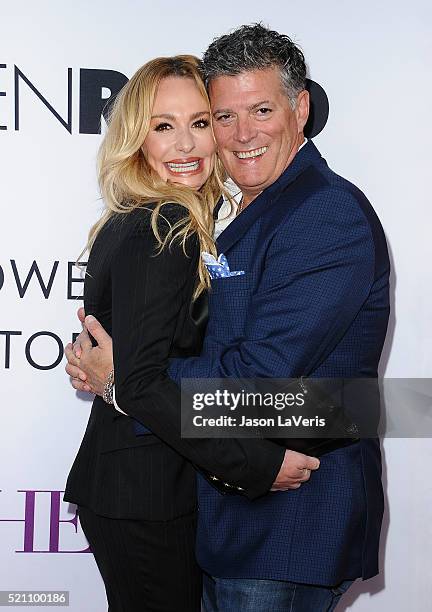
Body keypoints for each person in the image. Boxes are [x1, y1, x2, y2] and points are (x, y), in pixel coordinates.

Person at [67, 24, 390, 612]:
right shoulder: (192, 219)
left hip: (286, 526)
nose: (241, 135)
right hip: (228, 516)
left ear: (300, 108)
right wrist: (133, 380)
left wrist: (127, 382)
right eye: (223, 116)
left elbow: (265, 378)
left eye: (261, 110)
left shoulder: (323, 215)